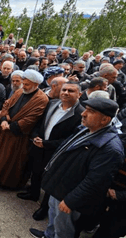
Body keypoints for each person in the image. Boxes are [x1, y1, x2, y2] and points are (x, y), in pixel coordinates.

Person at [30, 98, 124, 238]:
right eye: (85, 109)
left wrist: (71, 200)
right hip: (59, 187)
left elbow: (95, 181)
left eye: (90, 112)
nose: (83, 114)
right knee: (54, 217)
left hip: (70, 196)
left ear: (104, 120)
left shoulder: (110, 149)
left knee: (64, 229)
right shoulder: (85, 130)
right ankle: (48, 235)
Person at [18, 82, 84, 221]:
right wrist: (36, 136)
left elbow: (71, 139)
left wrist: (46, 144)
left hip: (56, 152)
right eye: (64, 89)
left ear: (79, 94)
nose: (65, 93)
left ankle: (44, 208)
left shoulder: (80, 114)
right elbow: (40, 123)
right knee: (36, 171)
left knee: (51, 179)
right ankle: (33, 194)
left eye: (70, 91)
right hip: (39, 145)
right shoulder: (52, 104)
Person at [0, 69, 49, 189]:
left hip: (18, 135)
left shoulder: (42, 99)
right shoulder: (20, 91)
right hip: (5, 129)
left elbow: (31, 119)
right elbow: (6, 104)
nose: (24, 86)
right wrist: (4, 118)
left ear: (36, 85)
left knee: (11, 160)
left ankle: (5, 182)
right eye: (23, 83)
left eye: (27, 84)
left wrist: (10, 126)